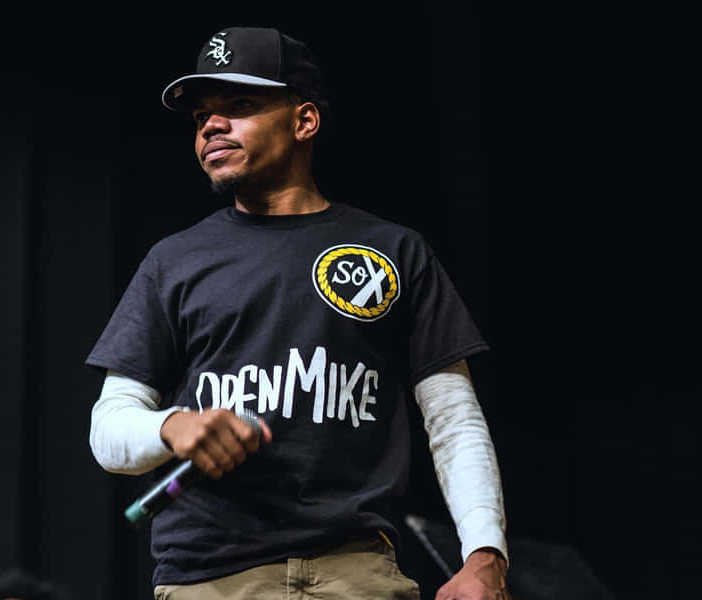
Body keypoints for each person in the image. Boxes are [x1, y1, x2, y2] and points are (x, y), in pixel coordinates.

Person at [86, 26, 509, 600]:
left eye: (239, 106)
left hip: (357, 572)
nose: (211, 126)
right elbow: (108, 428)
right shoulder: (173, 261)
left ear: (303, 121)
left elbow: (453, 420)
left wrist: (485, 555)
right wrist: (174, 425)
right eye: (201, 117)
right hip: (212, 578)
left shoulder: (394, 251)